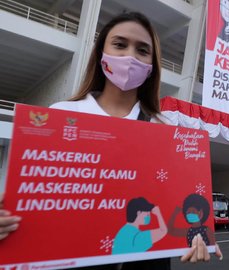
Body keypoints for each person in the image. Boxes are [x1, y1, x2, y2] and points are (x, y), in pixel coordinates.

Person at [45, 12, 218, 268]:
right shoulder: (61, 116)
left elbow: (176, 202)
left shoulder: (164, 128)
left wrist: (198, 235)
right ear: (101, 53)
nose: (130, 56)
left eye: (142, 50)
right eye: (119, 44)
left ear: (151, 66)